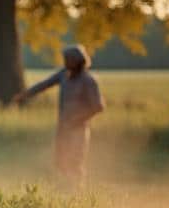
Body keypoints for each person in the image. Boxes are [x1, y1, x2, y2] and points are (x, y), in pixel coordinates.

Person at [12, 45, 105, 186]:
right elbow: (45, 84)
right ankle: (64, 188)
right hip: (63, 128)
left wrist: (78, 119)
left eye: (68, 59)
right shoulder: (64, 74)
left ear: (78, 61)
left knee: (75, 161)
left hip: (78, 129)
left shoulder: (88, 81)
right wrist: (25, 95)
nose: (65, 62)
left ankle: (77, 191)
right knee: (60, 161)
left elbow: (98, 106)